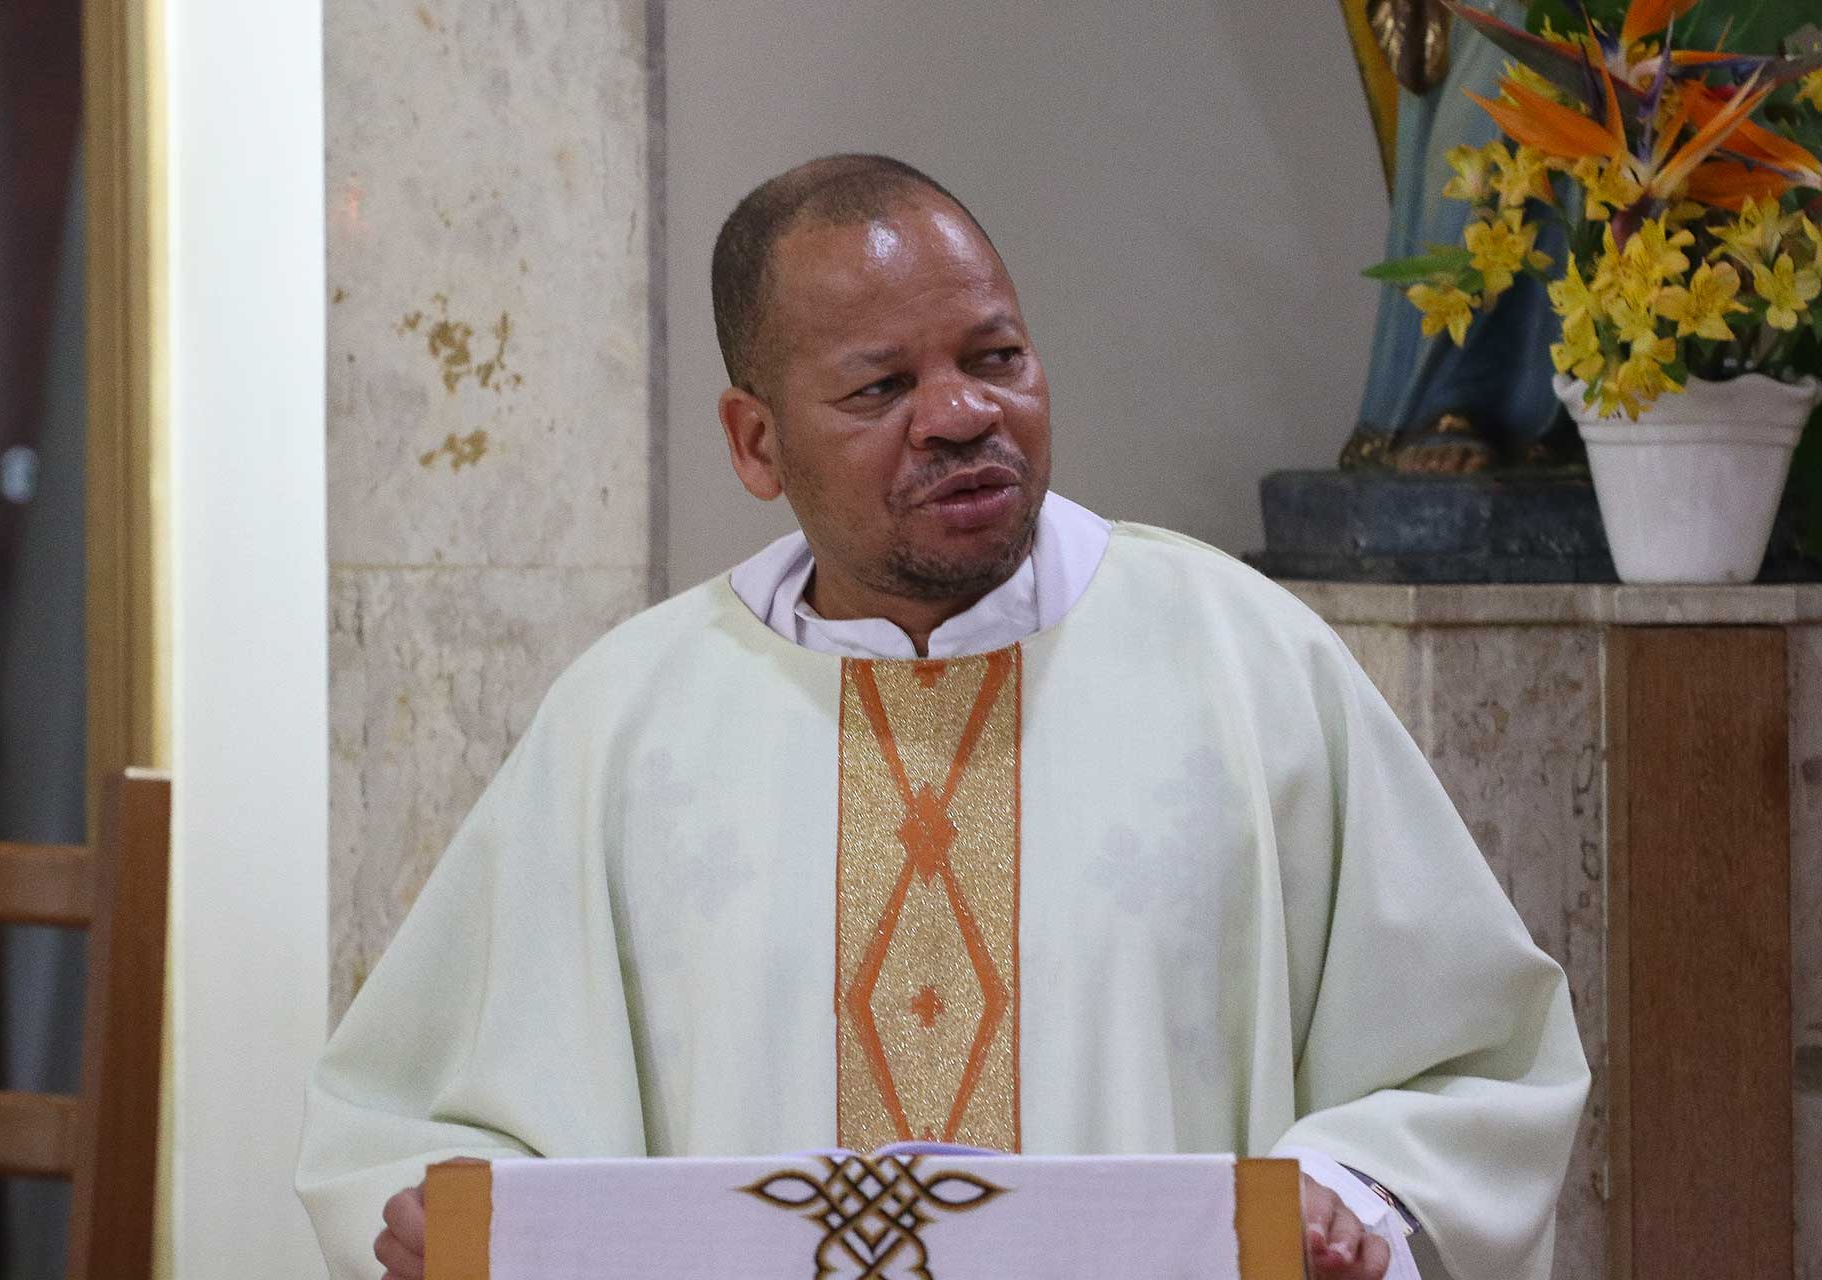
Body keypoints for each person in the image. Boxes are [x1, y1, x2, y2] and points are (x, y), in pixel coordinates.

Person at [295, 154, 1589, 1280]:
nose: (965, 416)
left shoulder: (1249, 664)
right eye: (880, 388)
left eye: (996, 358)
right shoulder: (630, 726)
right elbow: (420, 1129)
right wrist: (448, 1221)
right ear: (756, 445)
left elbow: (1468, 1066)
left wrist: (1349, 1196)